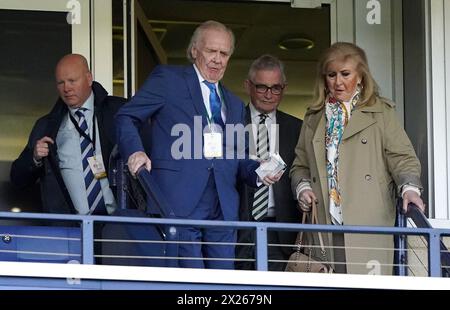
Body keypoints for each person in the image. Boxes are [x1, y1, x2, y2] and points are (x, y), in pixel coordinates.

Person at [115, 20, 279, 269]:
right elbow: (126, 116)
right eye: (211, 51)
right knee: (190, 283)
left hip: (222, 207)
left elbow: (238, 158)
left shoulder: (234, 103)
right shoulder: (168, 80)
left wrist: (259, 170)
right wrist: (135, 150)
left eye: (224, 54)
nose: (217, 59)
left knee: (222, 283)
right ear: (194, 51)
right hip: (179, 202)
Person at [290, 42, 425, 275]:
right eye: (331, 75)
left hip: (367, 221)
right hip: (323, 223)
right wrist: (302, 188)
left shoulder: (381, 112)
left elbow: (402, 158)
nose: (338, 82)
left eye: (345, 74)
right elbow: (300, 165)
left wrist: (410, 188)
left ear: (361, 76)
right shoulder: (313, 117)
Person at [11, 54, 125, 215]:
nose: (66, 88)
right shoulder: (46, 126)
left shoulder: (119, 112)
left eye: (72, 81)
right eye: (61, 83)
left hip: (119, 225)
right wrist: (35, 158)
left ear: (89, 78)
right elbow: (17, 179)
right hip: (71, 229)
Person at [235, 55, 302, 271]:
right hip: (238, 228)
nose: (269, 94)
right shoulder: (231, 123)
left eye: (276, 88)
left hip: (280, 230)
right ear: (248, 86)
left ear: (284, 88)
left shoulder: (296, 129)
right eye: (262, 87)